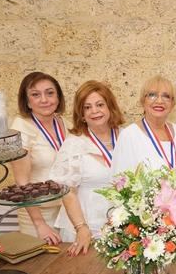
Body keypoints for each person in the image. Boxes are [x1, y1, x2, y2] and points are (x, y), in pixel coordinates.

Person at [111, 75, 176, 235]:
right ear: (143, 100)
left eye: (166, 96)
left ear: (173, 104)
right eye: (152, 95)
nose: (159, 101)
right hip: (148, 229)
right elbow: (119, 185)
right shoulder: (130, 135)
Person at [49, 81, 125, 256]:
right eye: (87, 107)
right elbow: (67, 191)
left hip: (121, 227)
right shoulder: (74, 143)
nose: (95, 111)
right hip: (85, 228)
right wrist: (81, 228)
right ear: (81, 114)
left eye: (100, 105)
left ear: (110, 107)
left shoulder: (126, 136)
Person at [11, 71, 70, 244]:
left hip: (68, 210)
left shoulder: (64, 123)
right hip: (39, 213)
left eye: (50, 93)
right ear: (27, 101)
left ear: (58, 97)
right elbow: (22, 182)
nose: (44, 100)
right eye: (35, 95)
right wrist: (39, 224)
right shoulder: (20, 129)